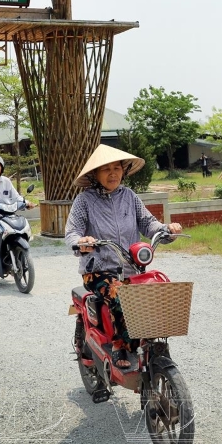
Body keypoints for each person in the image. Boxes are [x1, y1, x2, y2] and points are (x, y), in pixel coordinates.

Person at [64, 144, 184, 370]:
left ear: (124, 170)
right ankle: (119, 345)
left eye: (117, 168)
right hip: (98, 271)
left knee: (157, 292)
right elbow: (72, 233)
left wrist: (166, 229)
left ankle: (150, 346)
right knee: (120, 295)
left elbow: (148, 223)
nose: (113, 174)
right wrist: (82, 241)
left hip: (132, 270)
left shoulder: (129, 196)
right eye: (106, 169)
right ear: (95, 174)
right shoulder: (84, 200)